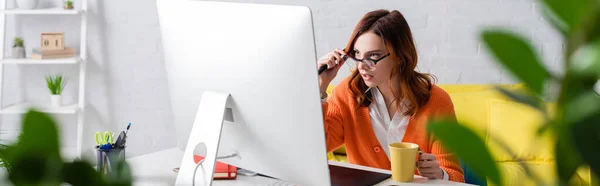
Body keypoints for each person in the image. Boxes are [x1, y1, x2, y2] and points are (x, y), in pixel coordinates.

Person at [317, 9, 464, 182]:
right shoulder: (347, 93)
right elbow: (319, 147)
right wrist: (320, 86)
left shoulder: (437, 101)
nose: (362, 67)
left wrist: (439, 173)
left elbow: (456, 178)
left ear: (400, 56)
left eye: (373, 56)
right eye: (357, 54)